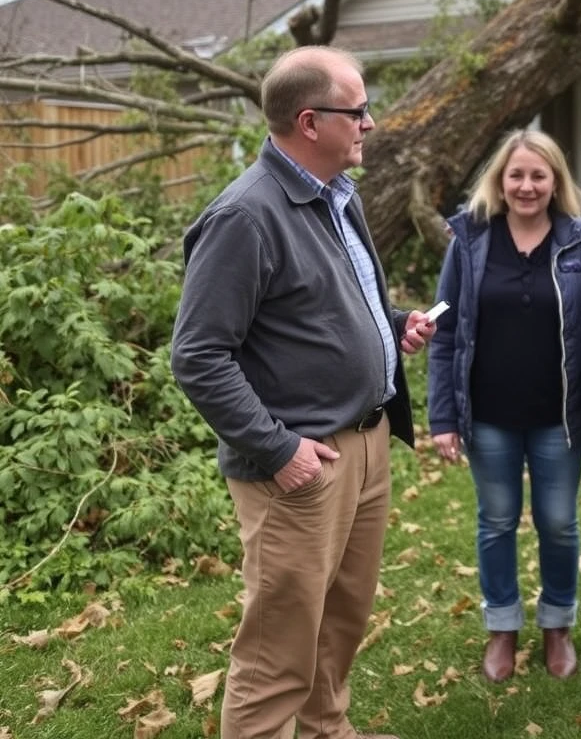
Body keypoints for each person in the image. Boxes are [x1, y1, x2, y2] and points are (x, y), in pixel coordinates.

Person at [170, 45, 436, 739]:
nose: (371, 123)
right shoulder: (246, 216)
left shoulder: (336, 197)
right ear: (311, 122)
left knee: (340, 621)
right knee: (277, 651)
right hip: (300, 467)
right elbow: (198, 354)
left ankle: (327, 730)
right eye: (359, 111)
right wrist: (277, 449)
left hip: (366, 445)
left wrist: (391, 325)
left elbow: (321, 305)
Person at [427, 129, 581, 683]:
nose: (526, 186)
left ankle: (556, 626)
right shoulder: (469, 242)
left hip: (558, 417)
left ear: (555, 182)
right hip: (488, 415)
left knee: (559, 523)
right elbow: (444, 330)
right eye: (516, 175)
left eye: (538, 175)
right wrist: (442, 416)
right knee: (497, 521)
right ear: (501, 180)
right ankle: (502, 627)